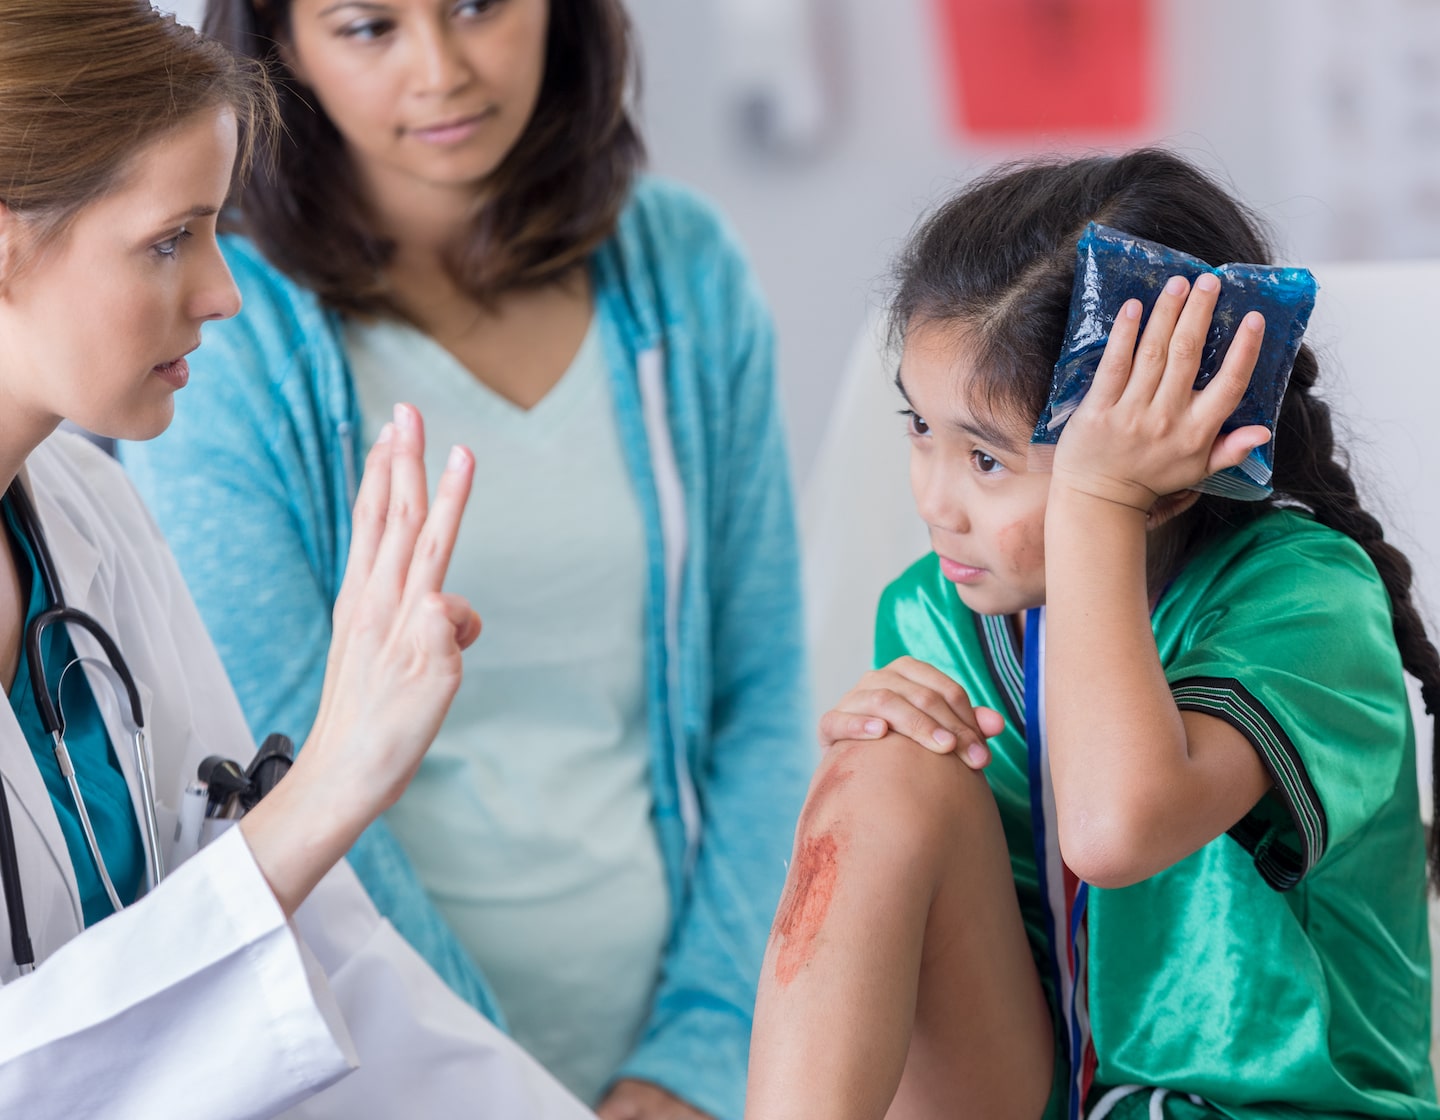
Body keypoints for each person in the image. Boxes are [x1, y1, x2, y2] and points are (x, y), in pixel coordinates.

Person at [119, 1, 813, 1117]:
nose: (441, 70)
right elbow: (284, 771)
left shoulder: (684, 271)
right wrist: (504, 1085)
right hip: (393, 1068)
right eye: (367, 28)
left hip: (697, 1057)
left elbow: (766, 695)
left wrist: (698, 1054)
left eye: (479, 6)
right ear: (281, 46)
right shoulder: (220, 336)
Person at [744, 149, 1440, 1120]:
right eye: (919, 429)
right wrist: (877, 783)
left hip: (1277, 1109)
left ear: (1170, 465)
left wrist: (1099, 500)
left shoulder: (1308, 600)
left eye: (986, 459)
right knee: (882, 765)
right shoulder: (938, 611)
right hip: (1041, 1089)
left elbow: (1115, 830)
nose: (936, 501)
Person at [0, 2, 605, 1116]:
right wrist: (331, 781)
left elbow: (306, 952)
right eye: (171, 239)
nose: (225, 293)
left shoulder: (88, 511)